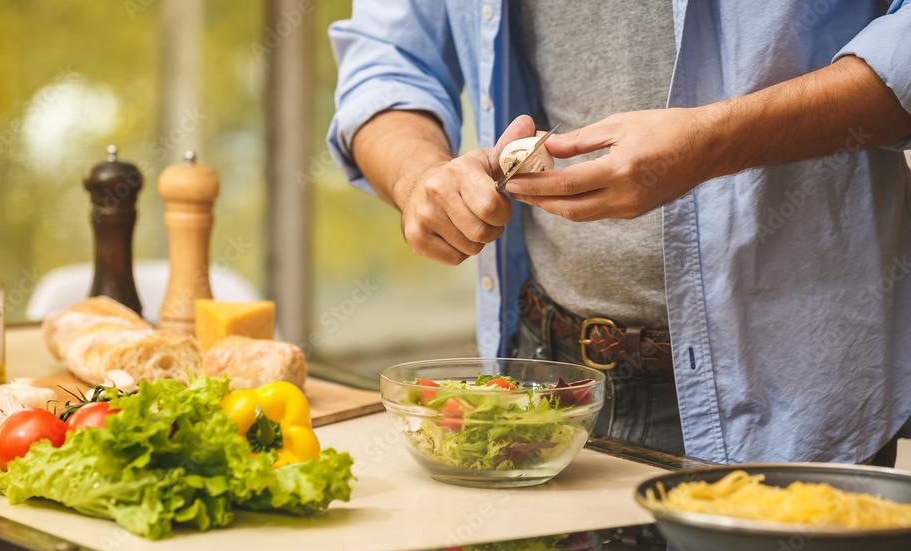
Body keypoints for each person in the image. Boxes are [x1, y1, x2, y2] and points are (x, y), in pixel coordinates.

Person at [327, 1, 911, 466]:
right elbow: (389, 54)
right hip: (543, 381)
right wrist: (417, 176)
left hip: (791, 392)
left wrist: (716, 141)